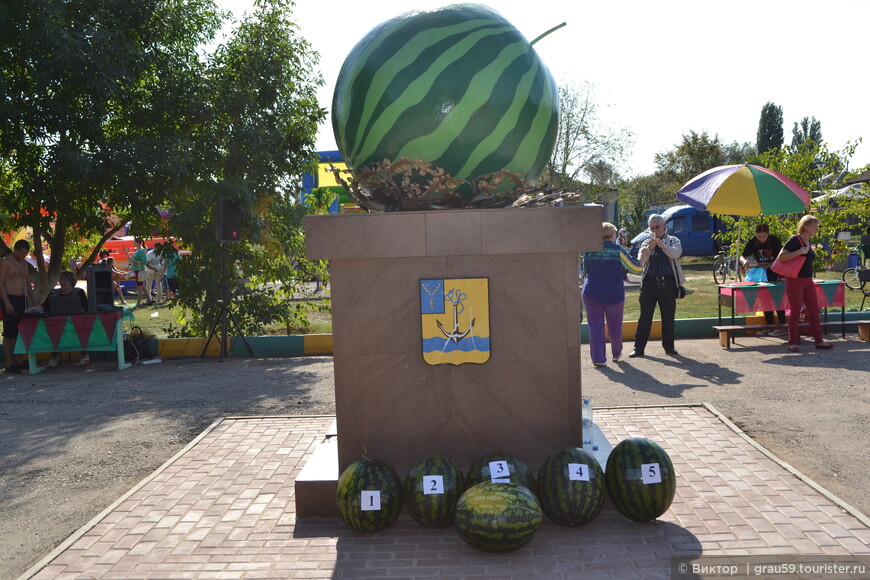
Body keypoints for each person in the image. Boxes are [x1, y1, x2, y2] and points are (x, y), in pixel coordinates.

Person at [582, 222, 642, 366]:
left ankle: (598, 359)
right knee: (615, 326)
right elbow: (635, 267)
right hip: (613, 293)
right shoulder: (618, 250)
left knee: (595, 327)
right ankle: (616, 354)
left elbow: (587, 269)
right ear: (612, 234)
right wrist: (643, 255)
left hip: (592, 292)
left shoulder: (589, 250)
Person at [630, 214, 685, 358]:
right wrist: (649, 248)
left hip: (668, 283)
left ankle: (669, 347)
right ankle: (638, 348)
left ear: (664, 226)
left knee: (668, 316)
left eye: (657, 227)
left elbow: (676, 254)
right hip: (649, 282)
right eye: (651, 228)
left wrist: (663, 246)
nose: (655, 230)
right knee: (645, 317)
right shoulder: (646, 242)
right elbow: (641, 261)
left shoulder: (673, 240)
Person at [776, 215, 833, 352]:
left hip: (808, 280)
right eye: (814, 227)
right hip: (794, 280)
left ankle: (819, 341)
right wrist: (799, 252)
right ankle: (793, 342)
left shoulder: (808, 241)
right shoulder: (795, 240)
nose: (816, 229)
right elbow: (781, 257)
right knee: (795, 312)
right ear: (806, 227)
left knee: (814, 310)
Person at [740, 223, 786, 336]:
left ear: (768, 234)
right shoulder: (753, 241)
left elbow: (782, 257)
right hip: (761, 274)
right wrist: (744, 262)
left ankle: (782, 326)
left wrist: (771, 264)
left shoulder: (774, 240)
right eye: (759, 236)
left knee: (777, 298)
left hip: (775, 272)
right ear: (756, 235)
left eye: (764, 236)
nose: (762, 239)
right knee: (765, 299)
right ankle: (769, 326)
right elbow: (742, 256)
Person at [1, 240, 37, 374]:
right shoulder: (5, 262)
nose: (23, 255)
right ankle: (9, 363)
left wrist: (33, 300)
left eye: (25, 253)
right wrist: (6, 302)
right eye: (22, 253)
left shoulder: (23, 263)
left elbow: (28, 282)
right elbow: (1, 284)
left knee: (20, 331)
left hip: (23, 299)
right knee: (9, 332)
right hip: (10, 298)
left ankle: (19, 360)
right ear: (15, 250)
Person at [43, 270, 90, 368]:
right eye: (61, 280)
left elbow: (87, 308)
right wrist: (33, 309)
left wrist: (81, 310)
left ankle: (85, 356)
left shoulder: (79, 292)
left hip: (76, 324)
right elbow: (44, 307)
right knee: (53, 332)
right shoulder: (54, 292)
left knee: (80, 331)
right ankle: (54, 358)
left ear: (71, 282)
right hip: (57, 325)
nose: (62, 282)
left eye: (65, 280)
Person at [122, 239, 148, 307]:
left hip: (140, 270)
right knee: (142, 287)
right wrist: (126, 252)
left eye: (134, 242)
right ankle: (149, 300)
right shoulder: (137, 251)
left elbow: (145, 261)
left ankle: (138, 303)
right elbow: (130, 260)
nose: (133, 243)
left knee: (140, 288)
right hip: (137, 270)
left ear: (139, 243)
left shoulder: (142, 250)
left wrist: (135, 262)